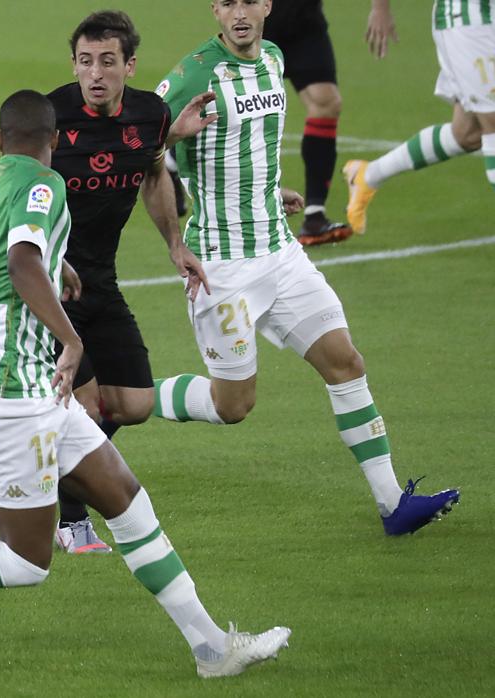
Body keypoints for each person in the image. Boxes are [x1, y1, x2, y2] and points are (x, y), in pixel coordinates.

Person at [0, 90, 292, 679]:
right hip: (10, 399)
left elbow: (1, 258)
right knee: (26, 562)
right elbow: (19, 262)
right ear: (57, 141)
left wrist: (58, 265)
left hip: (37, 393)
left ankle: (211, 651)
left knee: (129, 503)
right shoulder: (46, 187)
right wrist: (72, 340)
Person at [151, 0, 460, 535]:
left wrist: (271, 193)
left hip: (281, 252)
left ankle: (393, 505)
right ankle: (120, 394)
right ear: (214, 10)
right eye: (227, 3)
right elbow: (136, 145)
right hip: (221, 269)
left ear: (267, 4)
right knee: (233, 405)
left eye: (249, 1)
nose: (239, 12)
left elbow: (253, 149)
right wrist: (172, 143)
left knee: (345, 362)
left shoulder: (273, 58)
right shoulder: (193, 73)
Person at [45, 11, 214, 555]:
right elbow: (14, 195)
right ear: (73, 64)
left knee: (135, 403)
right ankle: (71, 520)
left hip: (100, 281)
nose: (95, 73)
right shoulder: (50, 117)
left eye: (108, 62)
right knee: (89, 407)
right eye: (85, 62)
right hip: (46, 287)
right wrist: (46, 259)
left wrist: (175, 244)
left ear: (129, 66)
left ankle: (47, 461)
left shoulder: (150, 115)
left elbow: (153, 171)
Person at [344, 0, 495, 233]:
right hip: (468, 18)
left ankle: (368, 175)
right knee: (493, 122)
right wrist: (380, 8)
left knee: (468, 133)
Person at [261, 0, 355, 245]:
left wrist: (380, 7)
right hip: (258, 20)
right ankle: (174, 159)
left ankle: (314, 217)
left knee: (326, 104)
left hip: (305, 19)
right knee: (239, 102)